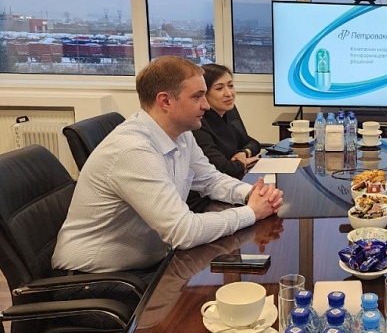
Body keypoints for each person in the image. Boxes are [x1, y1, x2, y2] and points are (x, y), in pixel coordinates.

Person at [52, 56, 284, 277]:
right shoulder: (133, 150)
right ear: (165, 101)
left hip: (149, 263)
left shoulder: (181, 133)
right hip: (94, 278)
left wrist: (252, 194)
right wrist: (251, 212)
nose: (205, 105)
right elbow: (183, 232)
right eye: (197, 97)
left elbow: (210, 179)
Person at [193, 63, 261, 178]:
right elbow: (223, 168)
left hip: (233, 179)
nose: (229, 94)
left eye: (230, 86)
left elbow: (253, 143)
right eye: (219, 88)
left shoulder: (227, 113)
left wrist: (244, 153)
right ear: (204, 93)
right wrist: (241, 163)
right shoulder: (198, 123)